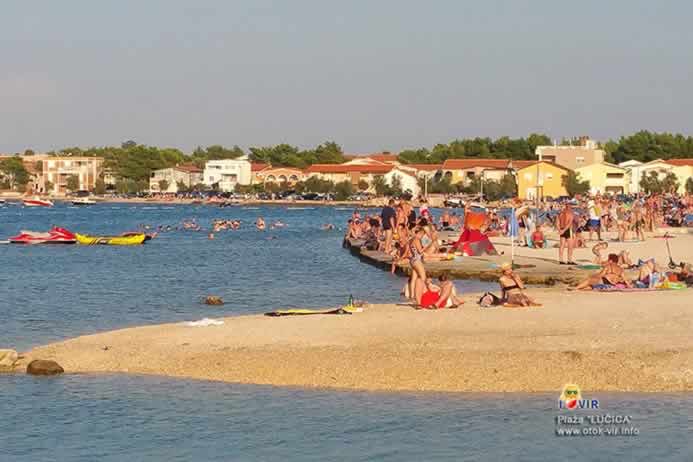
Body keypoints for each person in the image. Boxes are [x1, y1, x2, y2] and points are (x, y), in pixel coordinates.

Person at [407, 227, 428, 305]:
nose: (422, 237)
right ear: (420, 233)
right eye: (422, 235)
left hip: (412, 260)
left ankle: (412, 296)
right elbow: (420, 251)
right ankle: (419, 295)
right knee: (423, 277)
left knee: (414, 278)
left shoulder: (411, 240)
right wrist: (427, 246)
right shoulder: (417, 240)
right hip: (417, 260)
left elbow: (411, 251)